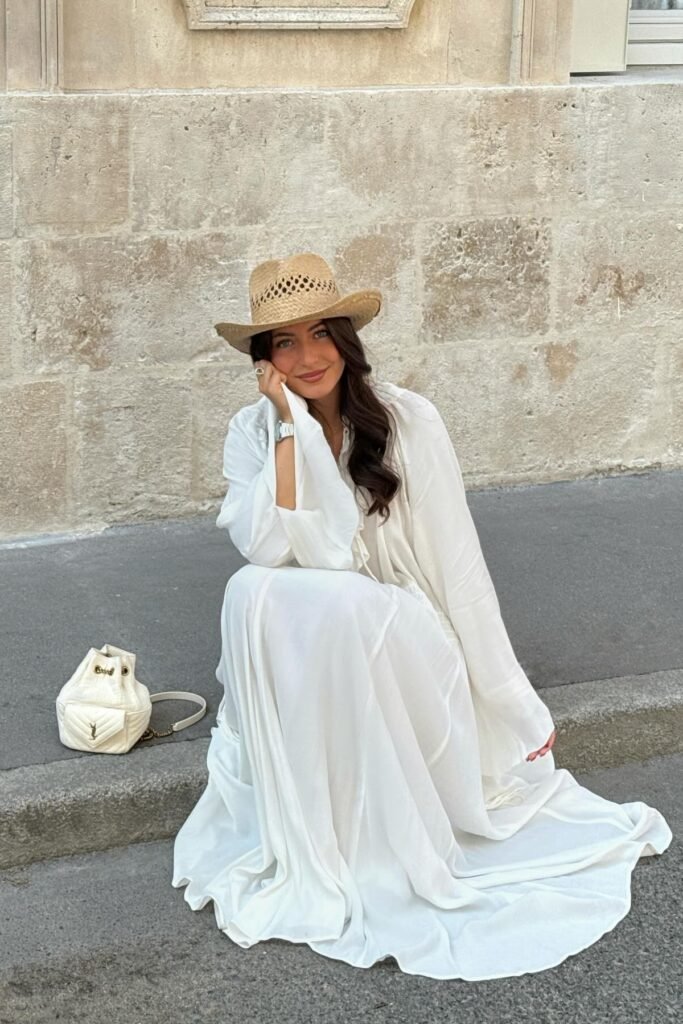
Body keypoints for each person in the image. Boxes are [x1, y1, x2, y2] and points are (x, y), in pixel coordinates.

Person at [172, 252, 672, 981]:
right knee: (251, 587)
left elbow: (458, 567)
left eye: (320, 333)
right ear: (265, 361)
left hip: (405, 634)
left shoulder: (408, 419)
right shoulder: (252, 431)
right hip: (323, 636)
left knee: (324, 597)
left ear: (346, 338)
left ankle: (378, 834)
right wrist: (290, 432)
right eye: (285, 342)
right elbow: (269, 547)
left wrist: (512, 700)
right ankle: (330, 829)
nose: (307, 357)